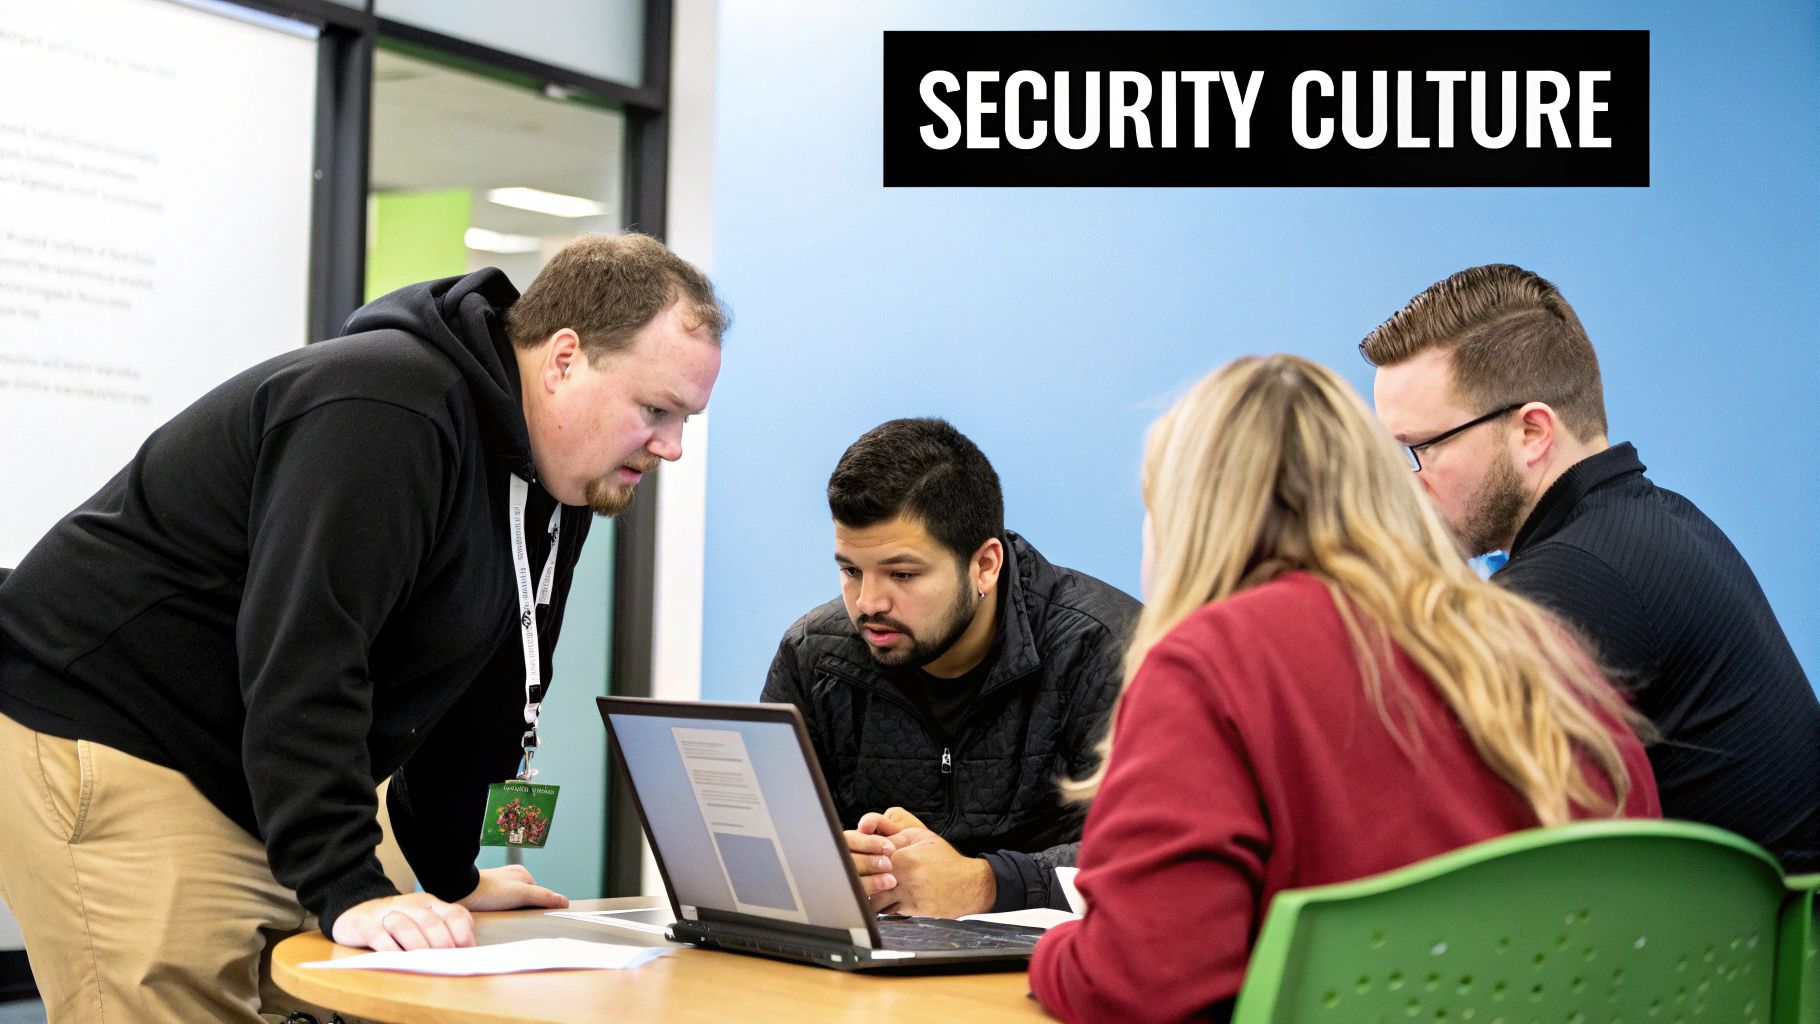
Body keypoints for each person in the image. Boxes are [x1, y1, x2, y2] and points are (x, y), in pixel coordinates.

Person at [0, 232, 726, 1023]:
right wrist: (345, 884)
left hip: (259, 750)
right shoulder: (387, 407)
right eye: (655, 410)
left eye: (686, 419)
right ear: (562, 359)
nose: (673, 447)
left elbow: (486, 683)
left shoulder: (558, 475)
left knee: (364, 994)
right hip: (123, 730)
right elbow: (306, 654)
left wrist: (450, 871)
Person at [1028, 355, 1659, 1024]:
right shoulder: (1537, 644)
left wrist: (1058, 953)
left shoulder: (1210, 664)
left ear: (1187, 519)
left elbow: (1141, 985)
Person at [1363, 263, 1818, 870]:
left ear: (1531, 432)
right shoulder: (1655, 523)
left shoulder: (1577, 580)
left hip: (1716, 958)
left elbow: (1406, 812)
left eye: (1421, 450)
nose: (1406, 485)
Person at [761, 418, 1139, 917]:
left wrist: (987, 884)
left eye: (902, 574)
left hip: (1045, 972)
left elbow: (1151, 854)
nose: (867, 603)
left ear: (985, 564)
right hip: (864, 976)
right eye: (851, 571)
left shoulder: (1112, 651)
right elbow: (766, 835)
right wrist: (820, 864)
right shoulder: (813, 657)